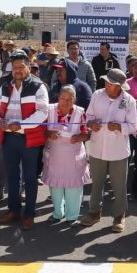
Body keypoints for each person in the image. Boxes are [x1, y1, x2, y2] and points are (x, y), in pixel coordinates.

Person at [0, 50, 49, 231]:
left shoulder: (38, 86)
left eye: (21, 66)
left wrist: (21, 125)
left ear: (28, 66)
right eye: (14, 67)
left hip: (29, 139)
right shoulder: (5, 85)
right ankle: (14, 210)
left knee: (30, 178)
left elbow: (43, 112)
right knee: (12, 177)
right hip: (9, 138)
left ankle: (29, 214)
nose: (17, 70)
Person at [79, 69, 137, 232]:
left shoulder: (129, 101)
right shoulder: (97, 95)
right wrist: (91, 124)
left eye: (110, 83)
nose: (106, 84)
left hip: (118, 151)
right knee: (96, 183)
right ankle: (94, 212)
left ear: (119, 86)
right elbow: (88, 116)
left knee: (119, 186)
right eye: (106, 81)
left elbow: (133, 126)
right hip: (97, 148)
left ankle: (119, 216)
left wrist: (119, 127)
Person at [42, 85, 90, 225]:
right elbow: (40, 130)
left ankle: (72, 216)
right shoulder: (49, 110)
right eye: (63, 98)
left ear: (74, 99)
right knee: (55, 188)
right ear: (58, 98)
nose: (65, 102)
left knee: (73, 189)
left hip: (73, 159)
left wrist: (79, 137)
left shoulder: (80, 112)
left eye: (69, 99)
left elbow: (87, 134)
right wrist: (48, 133)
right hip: (54, 157)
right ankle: (58, 213)